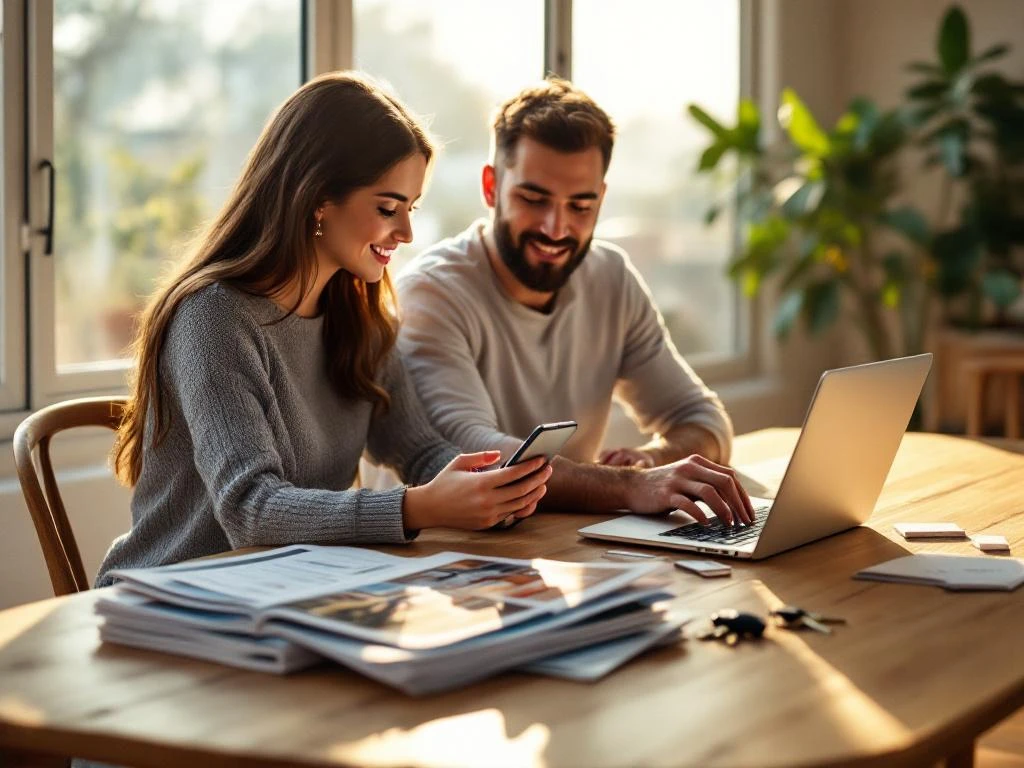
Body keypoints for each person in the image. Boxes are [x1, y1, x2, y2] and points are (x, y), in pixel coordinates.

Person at [95, 72, 550, 589]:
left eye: (411, 208)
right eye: (387, 208)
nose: (406, 233)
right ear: (316, 198)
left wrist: (489, 486)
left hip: (289, 591)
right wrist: (418, 506)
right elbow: (250, 510)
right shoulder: (214, 318)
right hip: (172, 599)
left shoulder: (357, 315)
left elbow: (417, 449)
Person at [396, 78, 754, 527]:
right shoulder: (432, 292)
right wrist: (630, 487)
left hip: (559, 548)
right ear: (491, 187)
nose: (556, 227)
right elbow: (477, 457)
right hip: (444, 564)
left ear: (601, 199)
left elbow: (704, 421)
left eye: (581, 206)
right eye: (533, 198)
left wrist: (651, 463)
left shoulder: (611, 277)